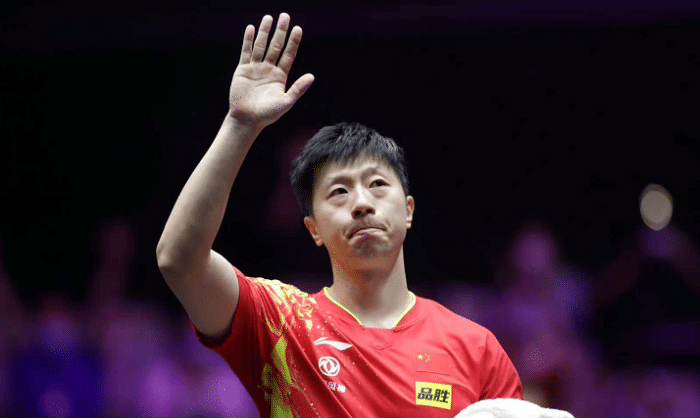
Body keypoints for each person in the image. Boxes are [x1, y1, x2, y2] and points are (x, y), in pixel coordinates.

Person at [156, 13, 524, 418]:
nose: (362, 203)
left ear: (408, 211)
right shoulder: (280, 326)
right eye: (339, 192)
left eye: (378, 184)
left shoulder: (476, 350)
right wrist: (239, 125)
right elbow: (179, 260)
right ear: (313, 229)